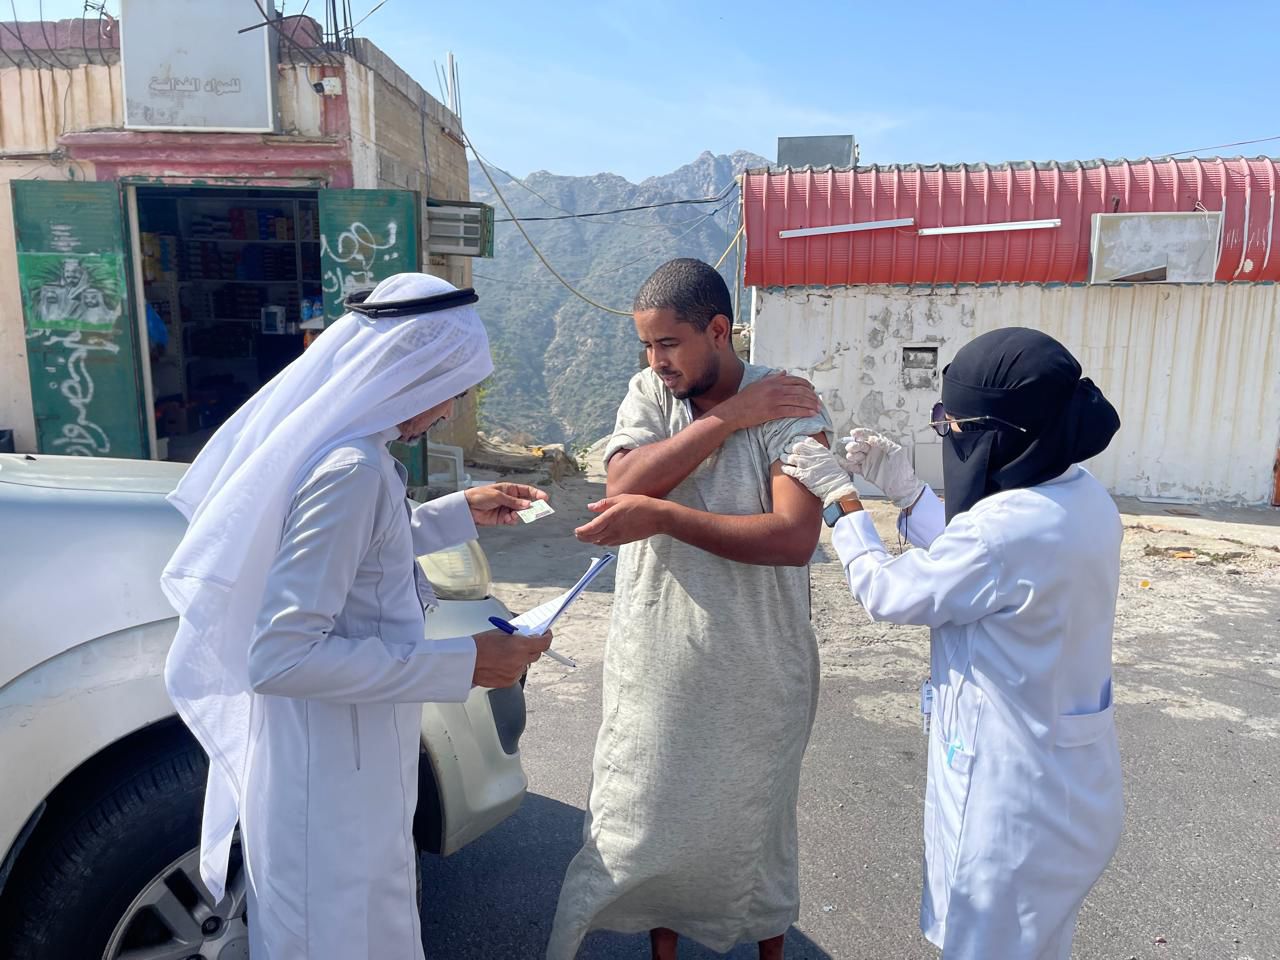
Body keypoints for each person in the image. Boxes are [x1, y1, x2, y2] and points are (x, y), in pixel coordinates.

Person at [160, 273, 553, 960]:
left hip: (352, 779)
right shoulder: (351, 470)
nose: (450, 406)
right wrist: (467, 663)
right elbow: (280, 656)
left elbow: (366, 554)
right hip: (328, 799)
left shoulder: (359, 458)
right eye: (453, 385)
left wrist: (459, 513)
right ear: (415, 372)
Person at [779, 327, 1125, 960]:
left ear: (1007, 432)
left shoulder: (1005, 530)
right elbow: (982, 573)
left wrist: (841, 503)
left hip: (1014, 806)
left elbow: (891, 592)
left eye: (956, 427)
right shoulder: (1079, 497)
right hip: (1072, 785)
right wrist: (909, 492)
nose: (949, 435)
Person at [546, 259, 831, 960]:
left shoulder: (792, 404)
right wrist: (732, 417)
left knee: (752, 832)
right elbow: (623, 483)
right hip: (656, 660)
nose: (654, 361)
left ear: (718, 330)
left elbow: (794, 538)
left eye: (668, 344)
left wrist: (667, 519)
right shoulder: (650, 393)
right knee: (649, 820)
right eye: (646, 346)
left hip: (759, 669)